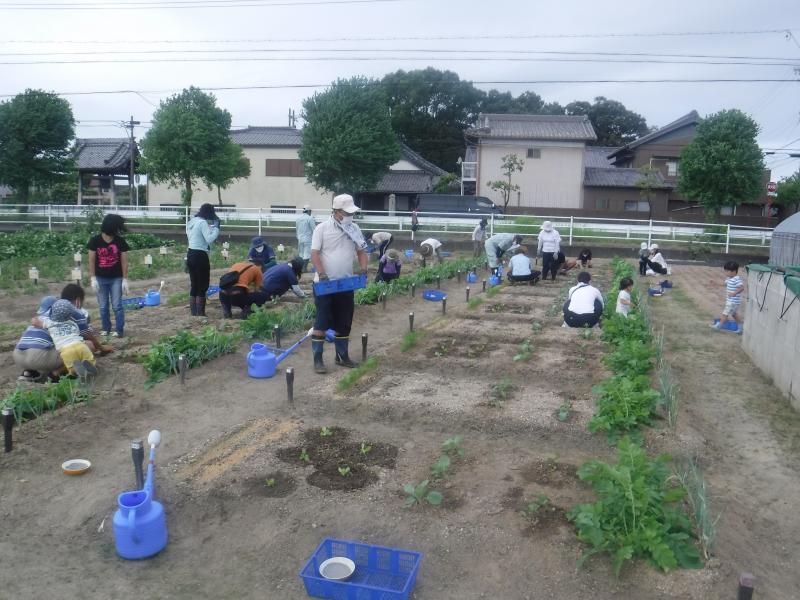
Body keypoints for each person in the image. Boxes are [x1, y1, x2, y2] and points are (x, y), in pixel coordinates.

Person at [310, 193, 369, 374]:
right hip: (325, 284)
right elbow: (314, 253)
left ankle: (342, 356)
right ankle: (318, 360)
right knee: (322, 322)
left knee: (344, 321)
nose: (350, 216)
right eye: (346, 212)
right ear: (336, 211)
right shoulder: (322, 229)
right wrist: (322, 273)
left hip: (346, 284)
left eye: (352, 213)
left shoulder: (354, 229)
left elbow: (361, 251)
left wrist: (364, 268)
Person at [87, 213, 130, 338]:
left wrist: (125, 279)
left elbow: (124, 261)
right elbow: (91, 260)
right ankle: (106, 328)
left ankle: (119, 330)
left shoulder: (120, 242)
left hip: (116, 278)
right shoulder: (95, 241)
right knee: (103, 306)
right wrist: (93, 277)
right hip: (100, 278)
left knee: (117, 305)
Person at [34, 299, 97, 377]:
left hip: (66, 350)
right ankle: (91, 365)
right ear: (70, 314)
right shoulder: (73, 323)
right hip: (80, 345)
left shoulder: (50, 323)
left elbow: (36, 322)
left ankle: (75, 371)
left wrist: (35, 321)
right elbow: (78, 333)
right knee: (89, 359)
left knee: (71, 367)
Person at [13, 296, 62, 382]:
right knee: (70, 350)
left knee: (37, 343)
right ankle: (55, 374)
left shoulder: (36, 320)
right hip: (37, 357)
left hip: (18, 355)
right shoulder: (56, 319)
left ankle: (28, 372)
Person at [186, 203, 220, 316]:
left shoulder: (192, 221)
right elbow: (209, 239)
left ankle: (193, 312)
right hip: (200, 255)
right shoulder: (203, 222)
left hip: (190, 253)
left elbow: (196, 235)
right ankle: (201, 313)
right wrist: (216, 229)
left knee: (194, 284)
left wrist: (209, 228)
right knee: (203, 284)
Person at [712, 261, 744, 333]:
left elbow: (741, 288)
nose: (726, 273)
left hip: (733, 301)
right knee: (734, 314)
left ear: (734, 271)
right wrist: (716, 283)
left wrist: (734, 293)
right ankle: (740, 327)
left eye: (727, 271)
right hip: (732, 301)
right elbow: (725, 284)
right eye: (725, 271)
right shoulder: (729, 278)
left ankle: (719, 326)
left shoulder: (737, 279)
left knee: (725, 313)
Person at [295, 205, 316, 270]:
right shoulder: (310, 218)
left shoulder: (298, 219)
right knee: (307, 253)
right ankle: (304, 269)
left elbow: (297, 229)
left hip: (300, 238)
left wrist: (298, 236)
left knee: (301, 254)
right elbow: (314, 229)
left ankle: (300, 268)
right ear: (309, 211)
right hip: (307, 238)